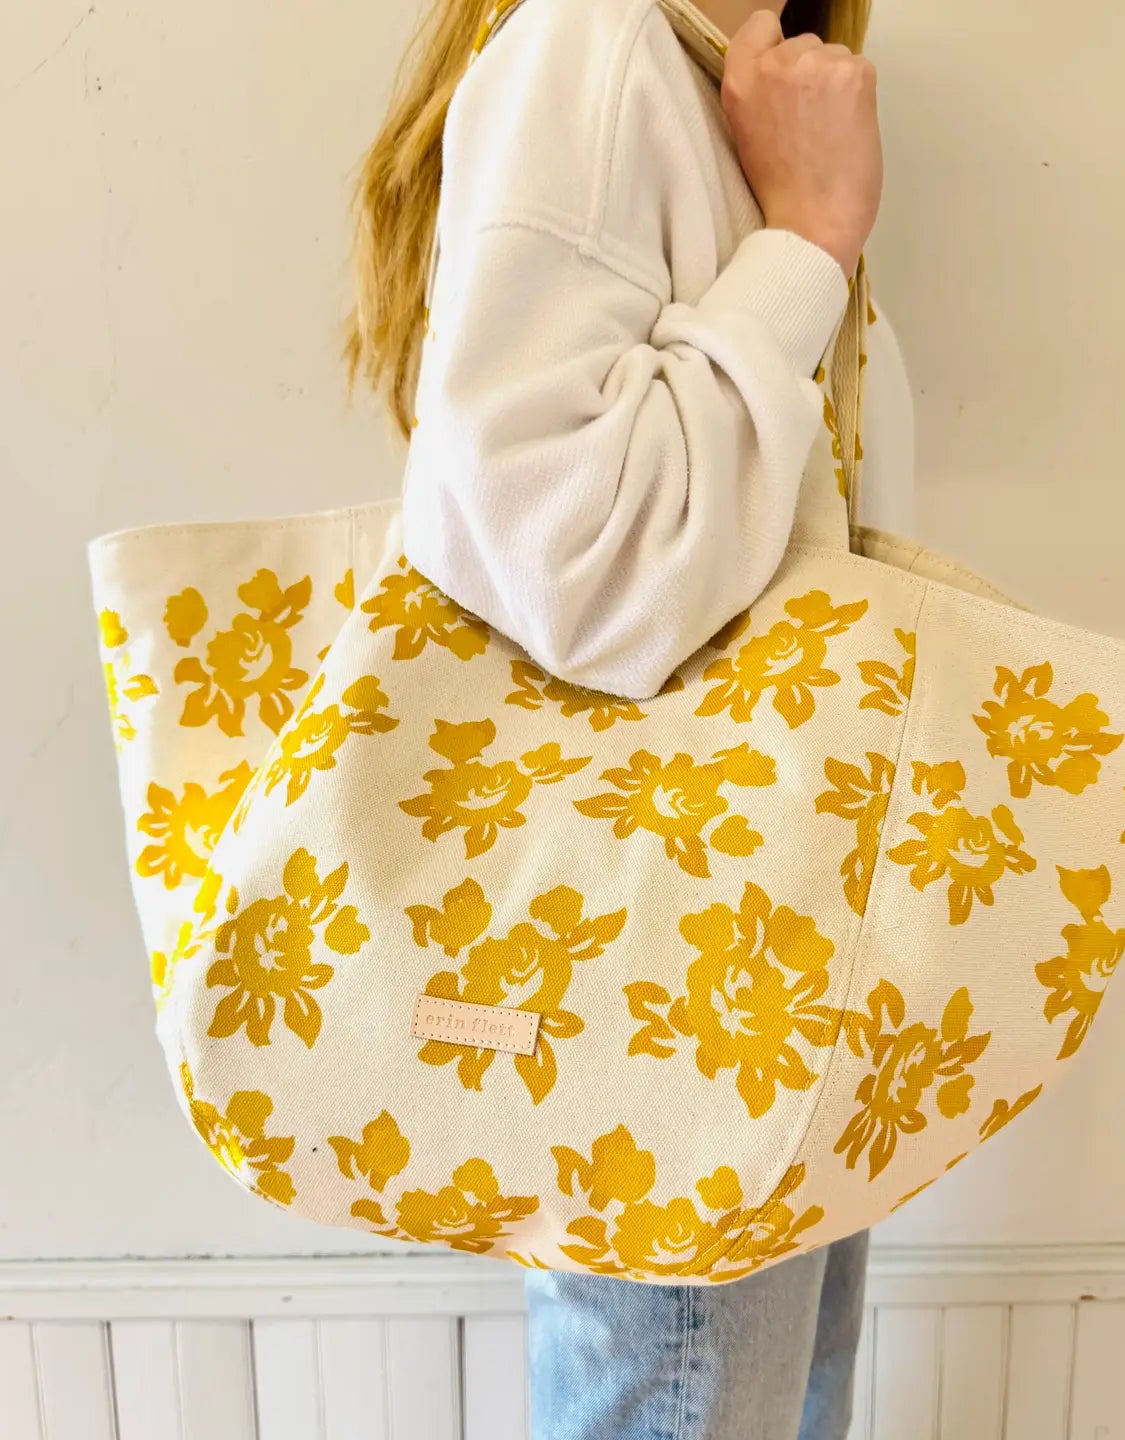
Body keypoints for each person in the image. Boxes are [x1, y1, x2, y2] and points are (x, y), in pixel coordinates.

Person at [344, 0, 910, 1433]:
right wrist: (809, 238)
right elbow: (570, 566)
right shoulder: (595, 54)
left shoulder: (731, 85)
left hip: (764, 940)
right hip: (684, 951)